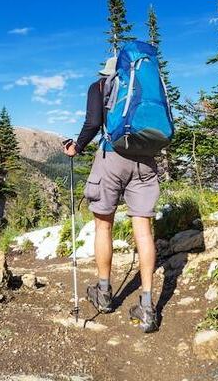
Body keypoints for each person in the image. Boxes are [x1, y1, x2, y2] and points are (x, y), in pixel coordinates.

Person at [62, 56, 161, 333]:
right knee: (144, 231)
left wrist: (77, 147)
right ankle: (148, 306)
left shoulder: (99, 86)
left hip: (113, 157)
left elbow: (93, 123)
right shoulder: (146, 85)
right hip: (146, 159)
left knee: (103, 225)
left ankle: (104, 294)